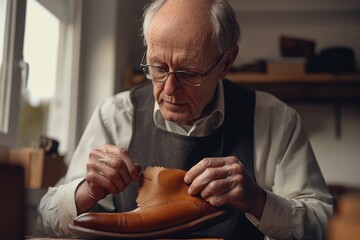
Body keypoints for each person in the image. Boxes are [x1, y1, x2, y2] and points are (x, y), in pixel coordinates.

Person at [39, 0, 333, 239]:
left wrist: (258, 201)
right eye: (157, 67)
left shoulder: (276, 120)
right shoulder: (115, 116)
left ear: (226, 62)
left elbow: (323, 223)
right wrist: (86, 192)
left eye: (189, 73)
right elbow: (47, 217)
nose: (168, 89)